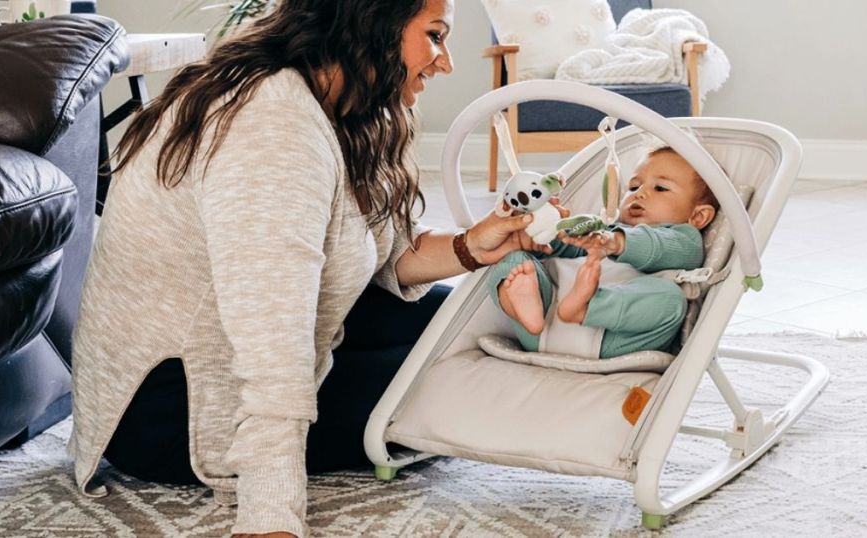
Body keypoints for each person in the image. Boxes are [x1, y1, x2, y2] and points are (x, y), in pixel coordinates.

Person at [69, 1, 552, 536]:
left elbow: (376, 254)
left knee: (478, 316)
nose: (445, 63)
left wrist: (468, 246)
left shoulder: (335, 101)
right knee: (466, 376)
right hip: (176, 406)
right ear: (371, 22)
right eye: (435, 36)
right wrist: (269, 514)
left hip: (242, 337)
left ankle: (619, 333)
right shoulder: (270, 123)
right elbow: (270, 335)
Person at [488, 146, 719, 359]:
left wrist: (617, 242)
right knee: (513, 260)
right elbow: (564, 245)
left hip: (614, 341)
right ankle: (525, 307)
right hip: (543, 325)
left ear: (697, 216)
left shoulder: (685, 239)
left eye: (660, 188)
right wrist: (545, 237)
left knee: (671, 300)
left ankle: (587, 306)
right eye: (634, 186)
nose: (639, 194)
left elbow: (656, 246)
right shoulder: (601, 228)